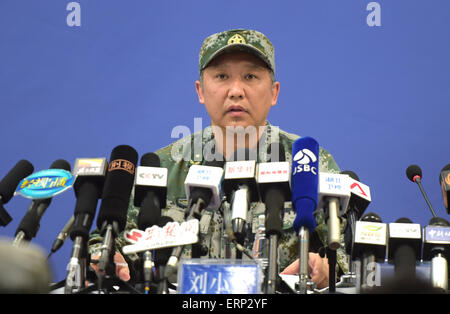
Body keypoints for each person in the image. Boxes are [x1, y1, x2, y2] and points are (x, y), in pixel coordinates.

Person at [88, 29, 348, 290]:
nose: (236, 91)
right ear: (200, 91)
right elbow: (108, 242)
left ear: (273, 92)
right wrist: (107, 257)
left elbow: (347, 251)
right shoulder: (165, 166)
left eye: (250, 76)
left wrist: (329, 265)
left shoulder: (307, 164)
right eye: (222, 76)